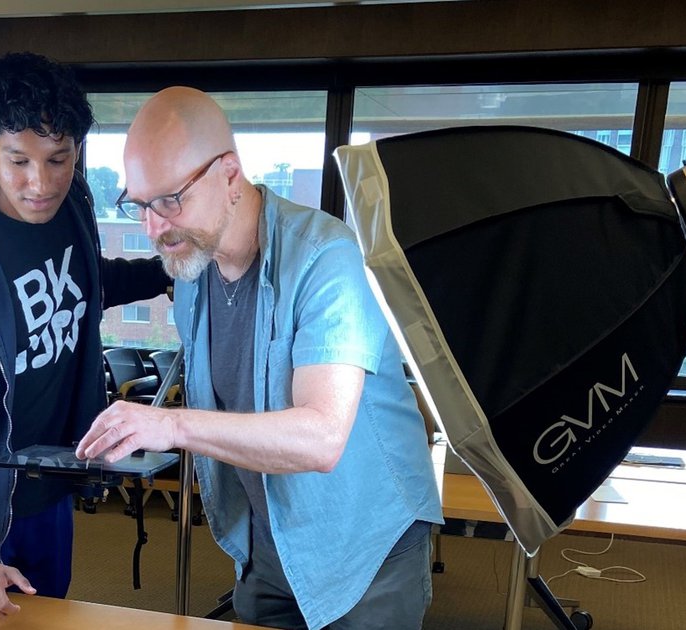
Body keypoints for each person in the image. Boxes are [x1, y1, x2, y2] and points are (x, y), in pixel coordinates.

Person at [76, 87, 443, 630]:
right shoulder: (193, 273)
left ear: (229, 173)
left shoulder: (326, 257)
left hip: (365, 544)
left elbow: (321, 437)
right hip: (270, 541)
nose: (154, 227)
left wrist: (171, 424)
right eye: (138, 204)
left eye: (170, 201)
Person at [0, 52, 169, 630]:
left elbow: (84, 286)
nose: (40, 183)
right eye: (18, 161)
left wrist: (167, 270)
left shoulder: (73, 206)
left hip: (48, 489)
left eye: (59, 159)